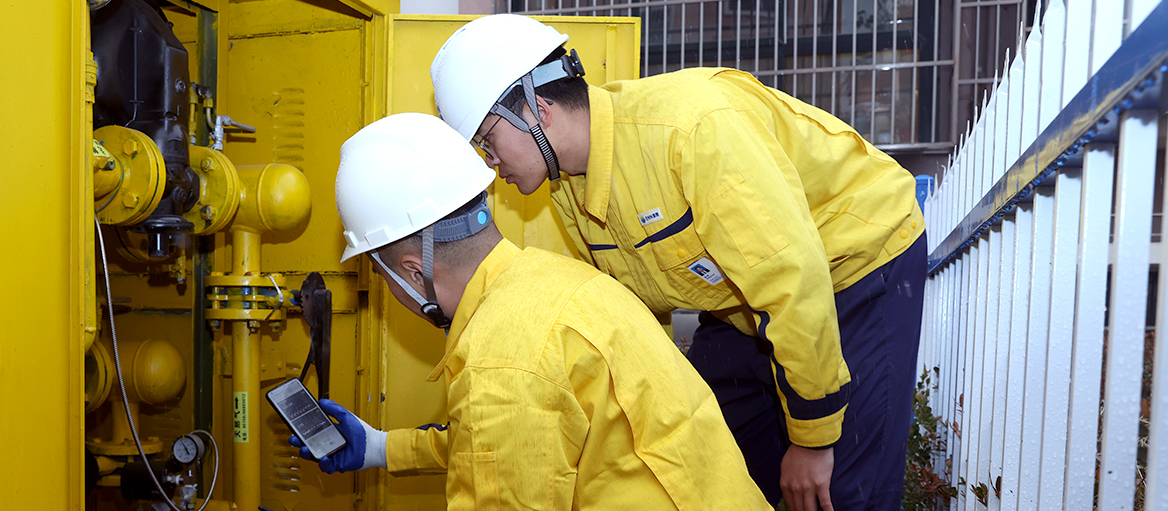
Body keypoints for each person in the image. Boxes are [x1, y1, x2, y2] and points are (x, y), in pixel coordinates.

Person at [428, 14, 929, 511]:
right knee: (704, 456)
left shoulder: (691, 131)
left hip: (855, 264)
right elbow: (628, 316)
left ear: (538, 110)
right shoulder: (567, 189)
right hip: (742, 300)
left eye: (487, 140)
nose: (489, 162)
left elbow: (790, 279)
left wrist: (813, 442)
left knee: (836, 494)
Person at [289, 112, 770, 510]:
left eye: (382, 276)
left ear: (413, 272)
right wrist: (379, 447)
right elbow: (507, 441)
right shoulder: (563, 281)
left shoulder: (500, 363)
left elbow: (505, 427)